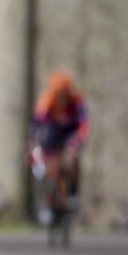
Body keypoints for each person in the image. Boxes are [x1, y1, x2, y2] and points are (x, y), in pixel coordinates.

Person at [31, 71, 88, 217]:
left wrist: (76, 140)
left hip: (70, 134)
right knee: (50, 167)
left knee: (73, 156)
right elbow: (36, 126)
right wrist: (33, 144)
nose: (61, 97)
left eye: (63, 92)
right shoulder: (45, 101)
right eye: (57, 93)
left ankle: (73, 192)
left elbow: (83, 125)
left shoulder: (76, 101)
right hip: (53, 134)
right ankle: (47, 202)